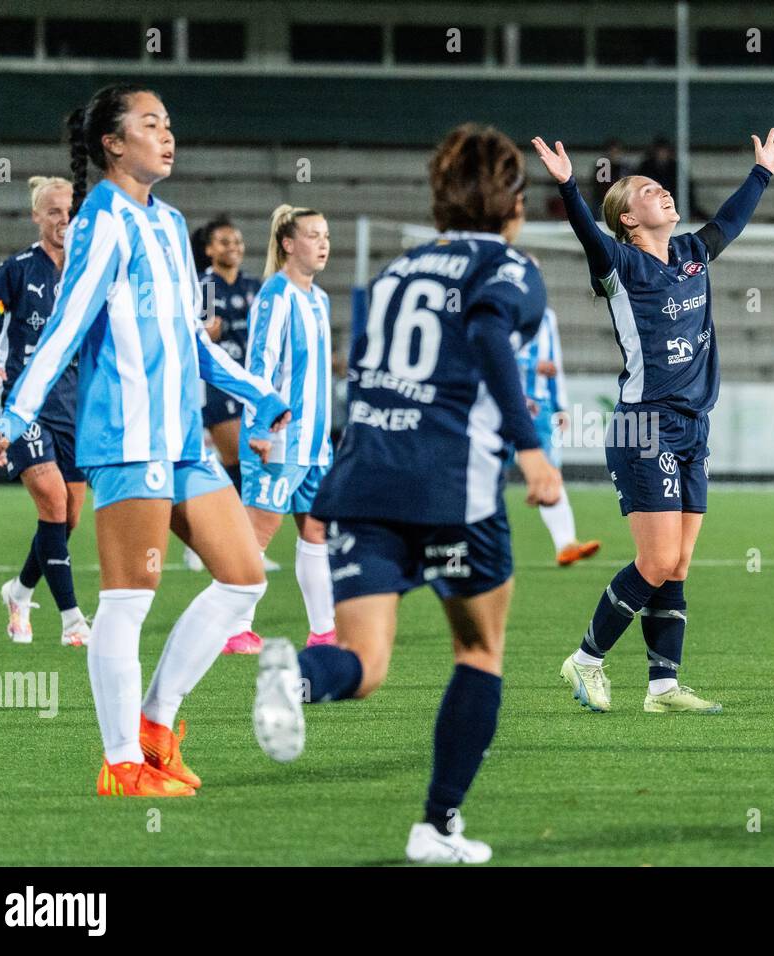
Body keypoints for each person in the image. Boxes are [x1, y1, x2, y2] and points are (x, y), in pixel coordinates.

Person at [252, 123, 562, 864]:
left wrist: (333, 483)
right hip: (453, 486)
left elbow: (367, 380)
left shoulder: (392, 274)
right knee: (479, 650)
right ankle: (437, 825)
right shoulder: (512, 269)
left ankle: (295, 672)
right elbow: (488, 335)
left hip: (366, 478)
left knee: (363, 662)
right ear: (512, 202)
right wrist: (532, 449)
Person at [0, 83, 290, 798]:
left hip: (182, 437)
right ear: (114, 144)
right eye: (150, 123)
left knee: (244, 575)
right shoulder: (101, 220)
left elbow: (189, 339)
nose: (167, 133)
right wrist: (15, 413)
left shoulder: (170, 221)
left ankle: (156, 726)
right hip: (125, 437)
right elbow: (64, 328)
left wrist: (257, 393)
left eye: (169, 123)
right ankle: (121, 764)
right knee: (129, 598)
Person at [531, 127, 774, 714]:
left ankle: (663, 688)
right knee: (653, 561)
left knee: (675, 563)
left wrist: (762, 173)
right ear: (627, 219)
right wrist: (569, 186)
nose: (664, 193)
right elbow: (585, 234)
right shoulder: (619, 263)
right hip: (641, 427)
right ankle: (586, 660)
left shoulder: (692, 255)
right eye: (649, 191)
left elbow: (729, 222)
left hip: (693, 427)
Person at [0, 176, 91, 647]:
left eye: (70, 212)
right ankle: (73, 621)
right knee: (54, 504)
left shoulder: (88, 273)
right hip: (23, 403)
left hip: (74, 404)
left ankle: (18, 592)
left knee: (69, 518)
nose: (64, 221)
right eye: (54, 212)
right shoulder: (15, 270)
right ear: (37, 216)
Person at [222, 205, 335, 656]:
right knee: (257, 535)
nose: (324, 243)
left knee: (316, 532)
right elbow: (259, 366)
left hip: (314, 445)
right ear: (288, 243)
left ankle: (324, 631)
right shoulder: (276, 293)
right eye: (313, 235)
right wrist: (260, 430)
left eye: (326, 235)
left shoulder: (319, 298)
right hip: (280, 440)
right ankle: (234, 628)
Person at [183, 215, 278, 573]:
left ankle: (239, 544)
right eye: (224, 242)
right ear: (209, 250)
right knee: (239, 461)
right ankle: (211, 544)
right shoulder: (205, 286)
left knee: (242, 465)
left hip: (249, 383)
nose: (233, 247)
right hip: (218, 386)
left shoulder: (255, 286)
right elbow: (204, 333)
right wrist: (211, 329)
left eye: (236, 241)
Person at [516, 306, 600, 566]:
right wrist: (530, 364)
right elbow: (488, 351)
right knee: (483, 474)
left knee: (550, 473)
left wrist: (560, 404)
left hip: (540, 408)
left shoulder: (547, 315)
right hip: (499, 405)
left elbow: (555, 360)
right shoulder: (499, 306)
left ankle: (566, 544)